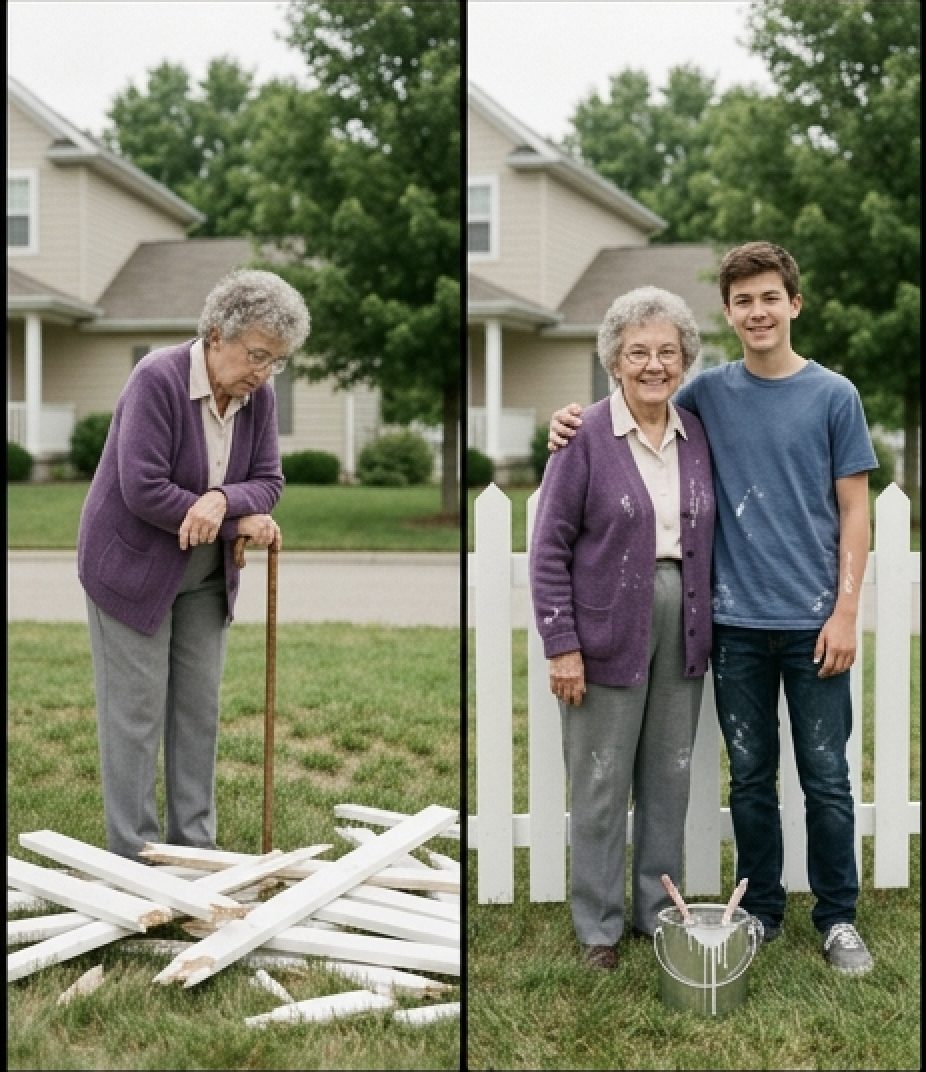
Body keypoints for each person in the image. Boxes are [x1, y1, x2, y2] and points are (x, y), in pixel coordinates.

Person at [548, 241, 877, 974]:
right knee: (752, 776)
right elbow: (632, 407)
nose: (757, 312)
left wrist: (846, 612)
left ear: (794, 303)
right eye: (743, 301)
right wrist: (566, 422)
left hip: (814, 623)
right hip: (730, 626)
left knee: (825, 773)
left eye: (770, 298)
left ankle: (837, 918)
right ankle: (760, 913)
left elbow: (856, 512)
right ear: (728, 314)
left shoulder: (834, 396)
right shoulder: (707, 397)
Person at [77, 268, 310, 861]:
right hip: (131, 570)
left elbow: (269, 480)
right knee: (135, 717)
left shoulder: (258, 396)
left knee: (197, 712)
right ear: (215, 334)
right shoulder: (157, 379)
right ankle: (136, 860)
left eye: (275, 361)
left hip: (205, 576)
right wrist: (236, 518)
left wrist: (225, 500)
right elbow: (144, 489)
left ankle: (194, 853)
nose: (262, 372)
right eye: (256, 354)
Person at [529, 286, 715, 971]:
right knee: (602, 779)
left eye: (667, 351)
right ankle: (599, 929)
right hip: (605, 625)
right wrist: (563, 645)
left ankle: (657, 913)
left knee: (669, 773)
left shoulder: (698, 436)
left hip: (685, 622)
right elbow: (549, 549)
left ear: (685, 360)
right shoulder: (583, 439)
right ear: (613, 358)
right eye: (637, 351)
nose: (653, 364)